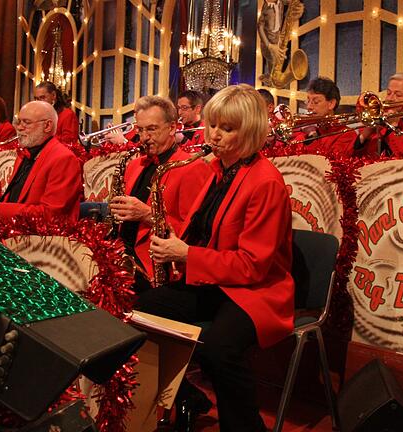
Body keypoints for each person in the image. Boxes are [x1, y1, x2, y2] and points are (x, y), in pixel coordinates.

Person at [137, 84, 294, 431]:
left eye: (227, 128)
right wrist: (176, 242)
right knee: (144, 307)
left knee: (220, 349)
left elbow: (253, 265)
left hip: (256, 291)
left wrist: (186, 253)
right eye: (212, 126)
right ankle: (184, 399)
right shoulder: (218, 170)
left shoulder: (266, 182)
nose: (214, 135)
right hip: (217, 282)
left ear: (250, 130)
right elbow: (203, 230)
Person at [109, 96, 210, 292]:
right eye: (140, 130)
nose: (144, 137)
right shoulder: (134, 164)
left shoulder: (191, 168)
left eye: (152, 129)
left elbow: (192, 234)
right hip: (122, 254)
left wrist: (148, 215)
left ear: (172, 128)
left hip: (154, 266)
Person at [0, 101, 83, 221]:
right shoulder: (25, 154)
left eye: (26, 122)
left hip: (40, 237)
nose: (19, 128)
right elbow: (17, 200)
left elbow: (52, 215)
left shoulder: (63, 158)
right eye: (19, 122)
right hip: (14, 229)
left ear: (47, 126)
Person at [293, 77, 357, 157]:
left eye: (315, 102)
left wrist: (312, 136)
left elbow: (329, 164)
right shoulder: (304, 132)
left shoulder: (347, 134)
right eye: (308, 101)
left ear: (331, 104)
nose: (309, 106)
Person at [34, 81, 80, 146]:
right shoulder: (40, 115)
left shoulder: (68, 115)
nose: (38, 102)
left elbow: (69, 144)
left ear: (53, 95)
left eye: (42, 97)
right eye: (36, 99)